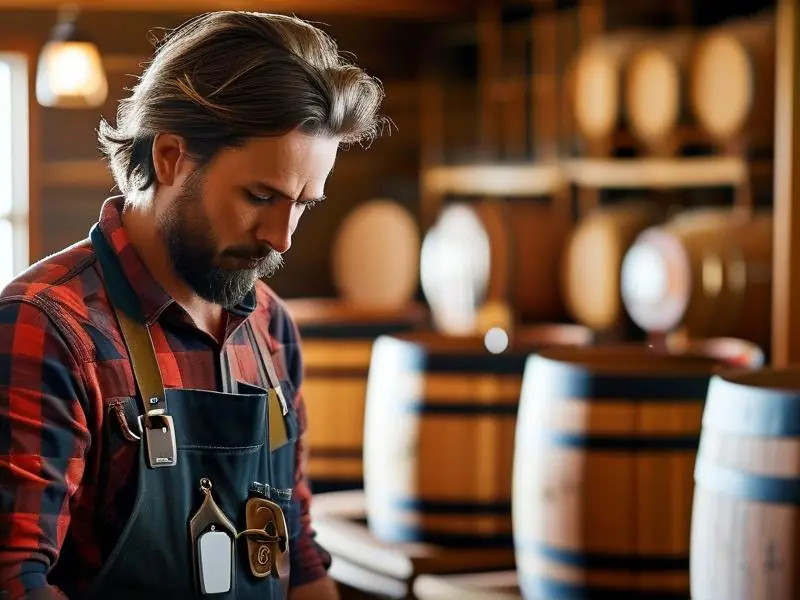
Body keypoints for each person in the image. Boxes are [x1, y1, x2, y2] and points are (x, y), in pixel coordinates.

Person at [0, 10, 386, 600]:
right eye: (261, 196)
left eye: (304, 203)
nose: (282, 237)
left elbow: (299, 556)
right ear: (171, 157)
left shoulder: (271, 327)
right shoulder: (49, 325)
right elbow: (13, 579)